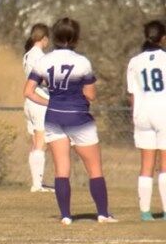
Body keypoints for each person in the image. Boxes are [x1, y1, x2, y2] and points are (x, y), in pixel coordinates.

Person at [23, 17, 117, 225]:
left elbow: (28, 91)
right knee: (94, 169)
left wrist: (49, 102)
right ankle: (102, 213)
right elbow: (91, 95)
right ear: (76, 38)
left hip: (54, 117)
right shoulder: (82, 62)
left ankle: (66, 215)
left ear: (54, 36)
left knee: (61, 169)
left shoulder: (43, 61)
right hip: (79, 117)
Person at [126, 20, 166, 221]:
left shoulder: (134, 61)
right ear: (163, 38)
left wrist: (136, 115)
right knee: (165, 164)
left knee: (146, 164)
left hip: (142, 114)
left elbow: (131, 93)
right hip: (163, 113)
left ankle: (145, 211)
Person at [23, 23, 54, 193]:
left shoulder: (27, 55)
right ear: (44, 39)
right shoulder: (41, 57)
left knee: (35, 142)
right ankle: (37, 184)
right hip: (39, 99)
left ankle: (37, 182)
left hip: (29, 102)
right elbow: (42, 80)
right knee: (41, 143)